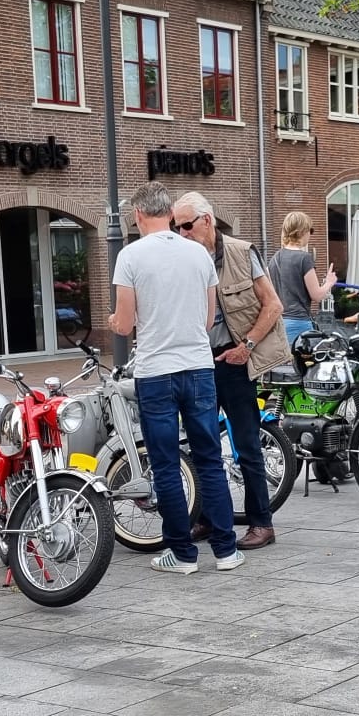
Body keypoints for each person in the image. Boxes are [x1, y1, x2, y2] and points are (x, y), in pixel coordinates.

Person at [109, 182, 241, 575]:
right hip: (199, 368)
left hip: (156, 372)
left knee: (165, 466)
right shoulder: (199, 255)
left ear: (137, 216)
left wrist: (115, 322)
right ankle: (226, 551)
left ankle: (182, 555)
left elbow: (126, 322)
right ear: (169, 212)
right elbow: (206, 319)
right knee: (209, 461)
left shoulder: (130, 256)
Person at [173, 191, 283, 551]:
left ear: (207, 220)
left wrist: (246, 347)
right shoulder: (182, 258)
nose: (182, 232)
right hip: (197, 362)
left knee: (246, 443)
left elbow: (273, 305)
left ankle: (261, 523)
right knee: (202, 444)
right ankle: (207, 518)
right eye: (177, 227)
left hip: (233, 361)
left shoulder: (240, 252)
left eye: (187, 225)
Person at [268, 211, 336, 345]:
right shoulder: (304, 259)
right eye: (310, 230)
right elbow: (316, 295)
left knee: (282, 365)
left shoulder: (274, 258)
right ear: (302, 231)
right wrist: (329, 283)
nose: (310, 234)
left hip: (277, 324)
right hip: (299, 324)